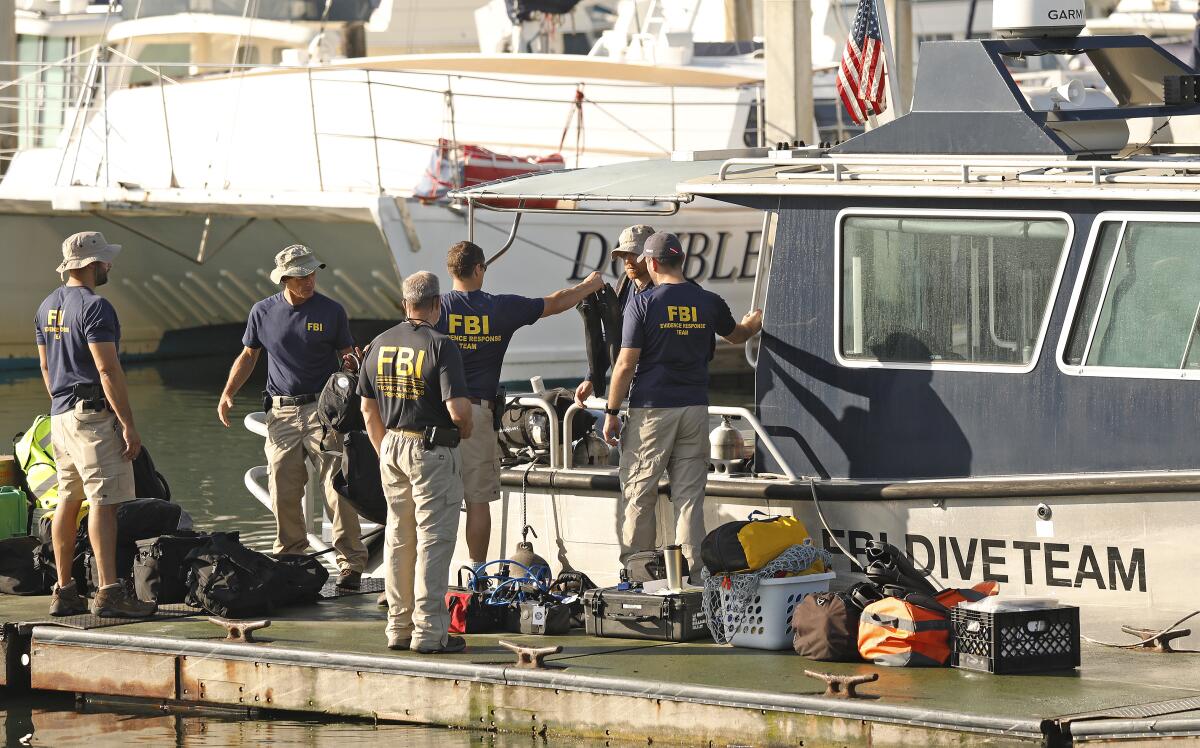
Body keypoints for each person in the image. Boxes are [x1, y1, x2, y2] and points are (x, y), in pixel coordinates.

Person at [602, 231, 763, 574]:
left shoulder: (643, 303)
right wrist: (752, 323)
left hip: (651, 410)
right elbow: (736, 334)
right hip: (694, 408)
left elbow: (626, 363)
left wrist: (612, 412)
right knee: (689, 496)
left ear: (653, 262)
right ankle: (694, 573)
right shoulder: (708, 300)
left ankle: (638, 570)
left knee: (639, 490)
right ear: (681, 261)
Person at [438, 241, 603, 567]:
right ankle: (476, 575)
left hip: (437, 414)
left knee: (430, 501)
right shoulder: (500, 308)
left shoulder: (435, 309)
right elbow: (555, 303)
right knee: (478, 500)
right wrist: (589, 286)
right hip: (477, 414)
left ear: (450, 270)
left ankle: (426, 575)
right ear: (479, 269)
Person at [217, 244, 368, 588]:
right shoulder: (263, 312)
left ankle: (351, 565)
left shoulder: (332, 311)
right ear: (285, 278)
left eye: (313, 272)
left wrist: (353, 365)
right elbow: (248, 355)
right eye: (302, 275)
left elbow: (348, 354)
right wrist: (228, 393)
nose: (310, 280)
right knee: (283, 487)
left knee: (337, 488)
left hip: (324, 411)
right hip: (281, 413)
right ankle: (292, 557)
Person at [37, 231, 156, 618]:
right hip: (91, 417)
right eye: (105, 260)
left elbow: (45, 367)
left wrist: (60, 406)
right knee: (104, 504)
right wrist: (128, 424)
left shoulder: (46, 307)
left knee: (68, 501)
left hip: (60, 415)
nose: (109, 265)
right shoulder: (95, 307)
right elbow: (107, 368)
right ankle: (109, 593)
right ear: (91, 265)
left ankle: (64, 590)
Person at [359, 271, 473, 653]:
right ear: (438, 304)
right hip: (431, 450)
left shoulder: (379, 343)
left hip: (391, 444)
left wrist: (385, 449)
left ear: (404, 303)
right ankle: (430, 633)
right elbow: (458, 413)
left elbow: (367, 407)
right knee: (434, 541)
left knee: (398, 539)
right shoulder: (442, 345)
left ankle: (398, 628)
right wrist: (466, 427)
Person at [574, 224, 657, 407]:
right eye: (623, 255)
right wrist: (592, 378)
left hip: (655, 391)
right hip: (631, 388)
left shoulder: (663, 291)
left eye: (634, 254)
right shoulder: (625, 283)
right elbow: (613, 333)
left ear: (651, 256)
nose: (628, 260)